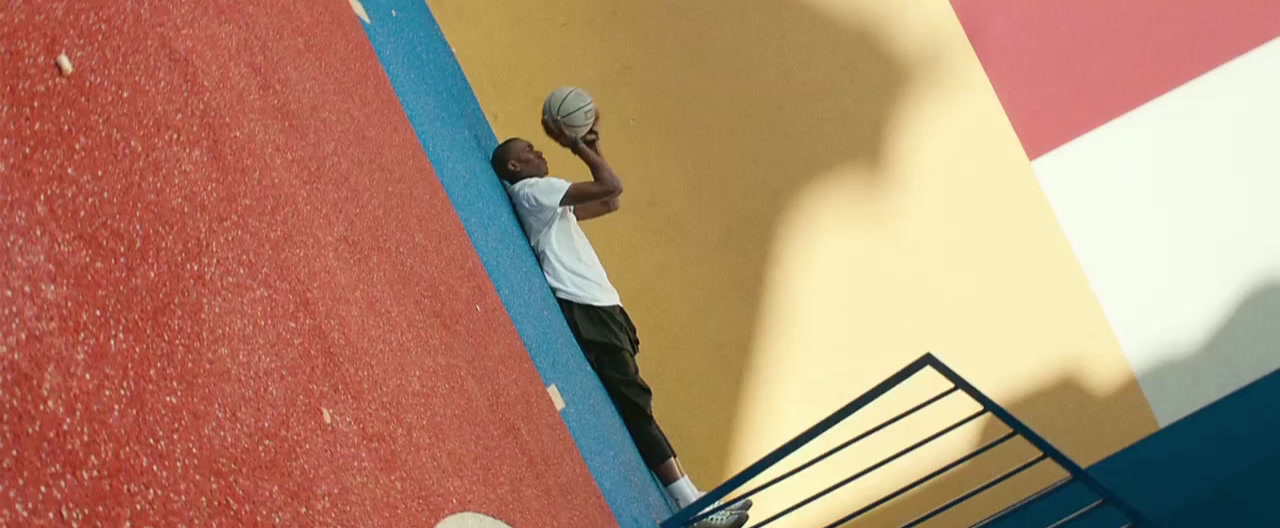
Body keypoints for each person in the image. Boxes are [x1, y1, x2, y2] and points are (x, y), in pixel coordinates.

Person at [491, 112, 752, 528]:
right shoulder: (534, 192)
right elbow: (612, 186)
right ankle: (690, 504)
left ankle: (693, 498)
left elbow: (610, 201)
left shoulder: (551, 207)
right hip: (588, 306)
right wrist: (577, 146)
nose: (538, 152)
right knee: (636, 406)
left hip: (603, 307)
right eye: (529, 150)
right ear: (514, 167)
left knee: (638, 403)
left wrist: (594, 150)